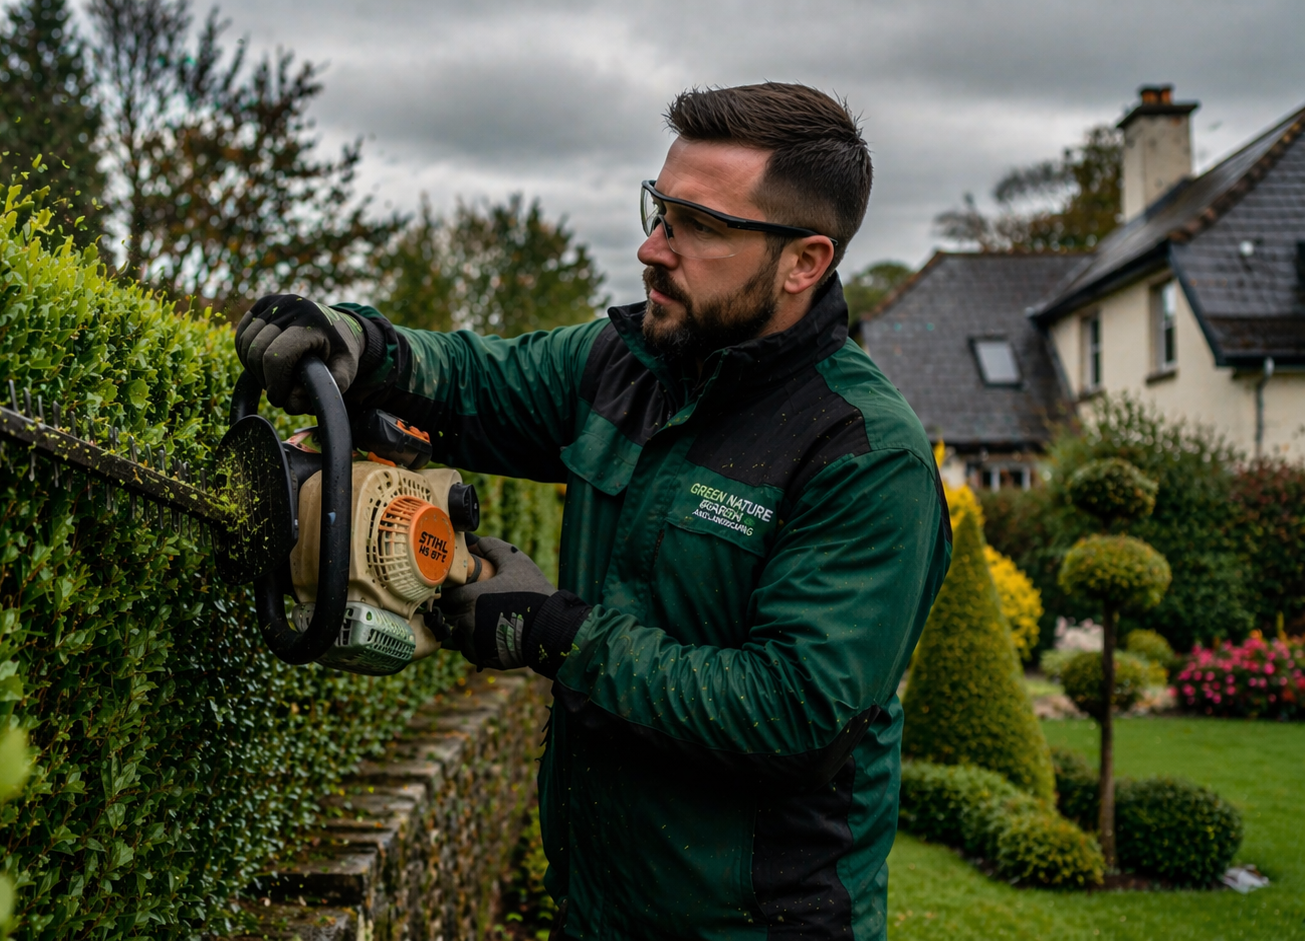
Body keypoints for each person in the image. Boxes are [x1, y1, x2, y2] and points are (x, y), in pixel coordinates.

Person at [235, 82, 951, 941]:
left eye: (698, 226)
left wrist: (555, 634)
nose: (652, 248)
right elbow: (478, 381)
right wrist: (364, 345)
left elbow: (795, 714)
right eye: (659, 210)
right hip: (597, 912)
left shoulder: (864, 453)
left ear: (804, 261)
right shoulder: (628, 362)